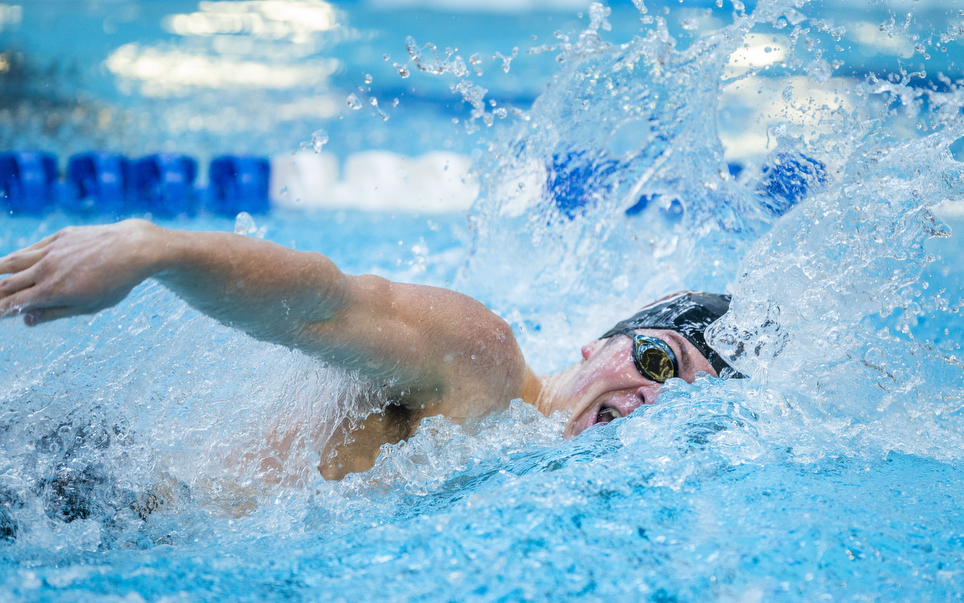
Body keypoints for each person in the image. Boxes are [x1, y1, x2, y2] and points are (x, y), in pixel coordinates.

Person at [0, 219, 740, 480]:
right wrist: (155, 249)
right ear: (599, 344)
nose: (654, 400)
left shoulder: (525, 464)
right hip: (92, 496)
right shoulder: (485, 365)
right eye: (658, 360)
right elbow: (329, 301)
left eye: (685, 399)